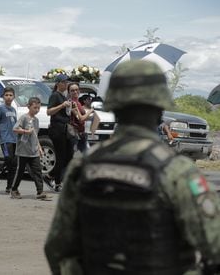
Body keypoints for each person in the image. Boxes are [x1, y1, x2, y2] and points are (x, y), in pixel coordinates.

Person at [44, 60, 220, 274]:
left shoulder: (84, 167)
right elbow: (214, 245)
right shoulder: (178, 171)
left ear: (114, 106)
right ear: (159, 107)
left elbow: (56, 249)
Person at [10, 97, 51, 200]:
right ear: (29, 107)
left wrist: (40, 148)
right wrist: (25, 131)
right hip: (23, 151)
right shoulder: (24, 118)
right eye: (35, 107)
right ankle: (14, 189)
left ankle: (40, 192)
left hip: (33, 151)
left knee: (37, 171)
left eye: (38, 108)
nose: (36, 110)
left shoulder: (36, 120)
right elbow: (15, 129)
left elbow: (35, 136)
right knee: (20, 171)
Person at [46, 74, 74, 192]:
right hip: (57, 129)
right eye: (64, 82)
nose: (66, 84)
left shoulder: (64, 96)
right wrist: (62, 105)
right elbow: (49, 112)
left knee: (68, 156)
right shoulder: (55, 96)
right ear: (58, 83)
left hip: (65, 130)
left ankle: (53, 177)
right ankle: (55, 181)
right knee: (61, 156)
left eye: (67, 82)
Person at [68, 83, 94, 153]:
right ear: (69, 92)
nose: (75, 92)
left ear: (79, 91)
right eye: (72, 90)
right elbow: (80, 118)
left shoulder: (78, 103)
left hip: (81, 134)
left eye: (76, 90)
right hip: (75, 135)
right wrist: (90, 111)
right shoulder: (72, 104)